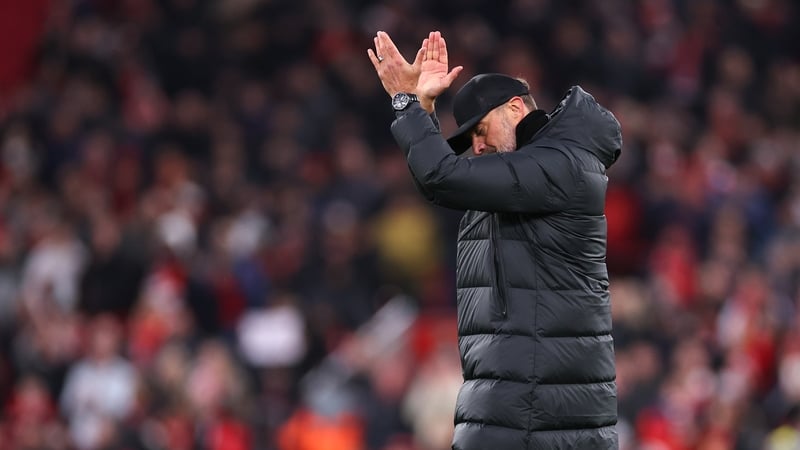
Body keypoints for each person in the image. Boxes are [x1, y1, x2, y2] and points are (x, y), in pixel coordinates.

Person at [368, 31, 622, 449]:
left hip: (546, 419)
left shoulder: (563, 165)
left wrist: (405, 102)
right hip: (512, 410)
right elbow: (441, 182)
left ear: (516, 108)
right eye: (469, 141)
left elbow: (442, 177)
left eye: (481, 131)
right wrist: (425, 107)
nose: (478, 147)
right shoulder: (518, 179)